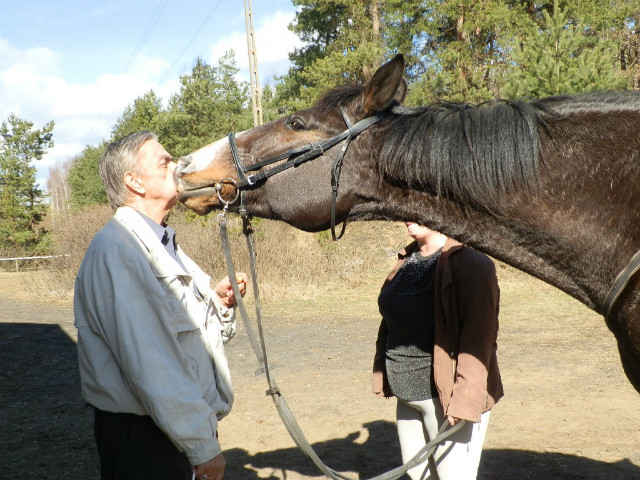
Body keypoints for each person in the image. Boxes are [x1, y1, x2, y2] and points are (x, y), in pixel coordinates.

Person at [74, 131, 247, 480]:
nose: (176, 165)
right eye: (164, 161)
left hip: (171, 425)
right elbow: (151, 363)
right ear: (134, 181)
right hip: (145, 438)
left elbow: (183, 339)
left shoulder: (161, 242)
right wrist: (202, 446)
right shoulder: (119, 250)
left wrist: (218, 302)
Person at [372, 222, 503, 480]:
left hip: (446, 404)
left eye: (416, 205)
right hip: (407, 397)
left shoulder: (472, 264)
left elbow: (479, 339)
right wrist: (382, 373)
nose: (407, 216)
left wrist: (465, 401)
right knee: (417, 477)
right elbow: (391, 320)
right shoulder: (407, 259)